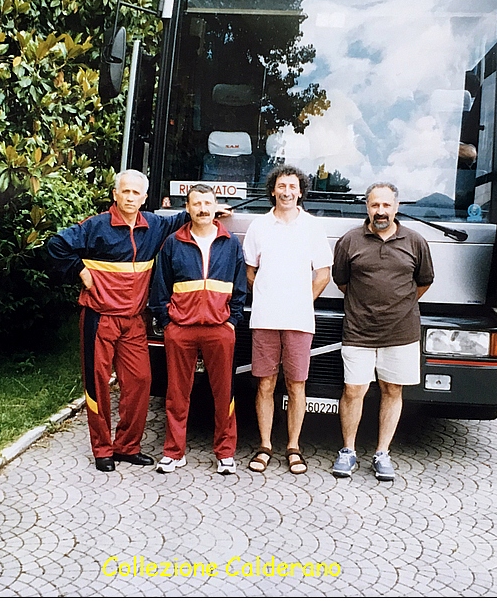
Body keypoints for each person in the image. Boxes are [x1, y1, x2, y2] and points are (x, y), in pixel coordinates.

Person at [45, 170, 191, 472]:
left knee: (140, 382)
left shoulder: (154, 225)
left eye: (136, 193)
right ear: (115, 194)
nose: (129, 197)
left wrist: (209, 208)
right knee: (97, 385)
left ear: (144, 198)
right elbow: (55, 245)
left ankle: (127, 447)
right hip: (99, 318)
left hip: (134, 321)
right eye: (125, 192)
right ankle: (102, 450)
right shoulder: (96, 226)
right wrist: (78, 270)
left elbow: (182, 219)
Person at [330, 182, 434, 481]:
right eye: (375, 205)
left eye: (386, 205)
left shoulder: (415, 242)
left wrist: (398, 304)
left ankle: (381, 453)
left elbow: (423, 282)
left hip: (401, 333)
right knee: (353, 391)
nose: (381, 211)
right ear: (367, 207)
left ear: (396, 207)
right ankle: (348, 451)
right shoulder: (350, 241)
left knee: (392, 390)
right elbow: (342, 281)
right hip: (358, 331)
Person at [148, 184, 247, 474]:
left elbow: (240, 287)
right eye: (197, 204)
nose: (203, 209)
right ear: (187, 208)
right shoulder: (173, 243)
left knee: (223, 392)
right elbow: (160, 288)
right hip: (181, 329)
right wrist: (168, 323)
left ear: (215, 206)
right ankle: (173, 452)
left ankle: (225, 453)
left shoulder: (229, 242)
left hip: (219, 328)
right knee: (177, 394)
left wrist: (232, 320)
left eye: (207, 203)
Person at [242, 165, 333, 475]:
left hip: (299, 321)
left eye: (292, 186)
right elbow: (250, 271)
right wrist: (269, 297)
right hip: (265, 319)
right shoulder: (258, 226)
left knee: (297, 385)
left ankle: (293, 446)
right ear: (273, 190)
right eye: (282, 186)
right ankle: (265, 445)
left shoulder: (312, 227)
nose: (287, 191)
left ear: (300, 192)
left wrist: (299, 301)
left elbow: (323, 274)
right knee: (265, 384)